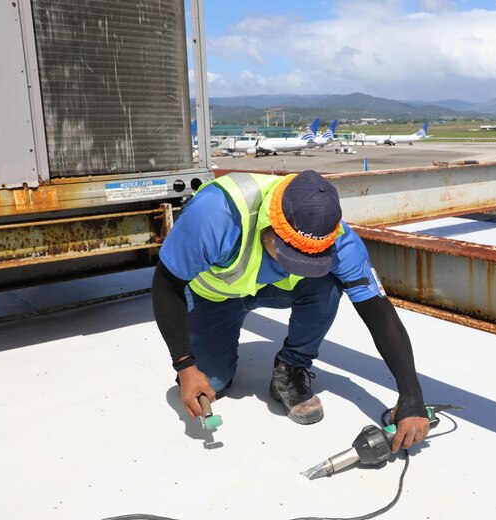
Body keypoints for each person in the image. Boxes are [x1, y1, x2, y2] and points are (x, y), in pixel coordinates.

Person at [152, 170, 429, 451]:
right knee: (211, 383)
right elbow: (165, 284)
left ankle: (291, 367)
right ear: (272, 225)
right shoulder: (215, 214)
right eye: (291, 257)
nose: (295, 267)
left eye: (309, 261)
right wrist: (185, 365)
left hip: (270, 288)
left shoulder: (340, 240)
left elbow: (379, 313)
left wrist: (412, 397)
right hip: (213, 296)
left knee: (328, 283)